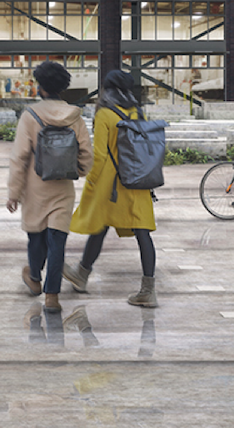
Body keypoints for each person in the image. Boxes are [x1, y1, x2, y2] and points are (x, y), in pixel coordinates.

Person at [64, 69, 158, 308]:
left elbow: (101, 154)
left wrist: (92, 180)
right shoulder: (137, 112)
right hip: (137, 180)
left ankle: (82, 273)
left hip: (112, 183)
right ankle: (148, 290)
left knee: (101, 225)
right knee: (142, 232)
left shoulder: (105, 114)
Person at [8, 61, 93, 314]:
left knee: (36, 236)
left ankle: (34, 277)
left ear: (41, 87)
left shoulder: (30, 115)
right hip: (62, 189)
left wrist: (13, 192)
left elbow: (19, 157)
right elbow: (87, 155)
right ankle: (52, 297)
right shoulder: (75, 116)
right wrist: (76, 171)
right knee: (58, 242)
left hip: (35, 188)